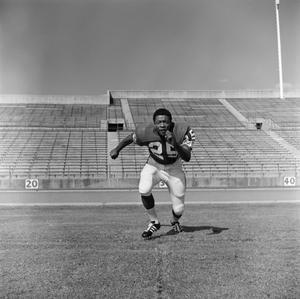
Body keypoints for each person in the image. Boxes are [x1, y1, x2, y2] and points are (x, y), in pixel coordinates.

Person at [110, 108, 195, 239]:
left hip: (175, 168)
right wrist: (117, 149)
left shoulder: (182, 131)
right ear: (154, 123)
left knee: (179, 209)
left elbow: (187, 157)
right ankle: (154, 222)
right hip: (154, 165)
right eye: (159, 122)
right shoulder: (145, 131)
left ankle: (174, 220)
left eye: (165, 122)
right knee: (144, 189)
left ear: (171, 122)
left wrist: (175, 144)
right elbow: (131, 138)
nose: (162, 125)